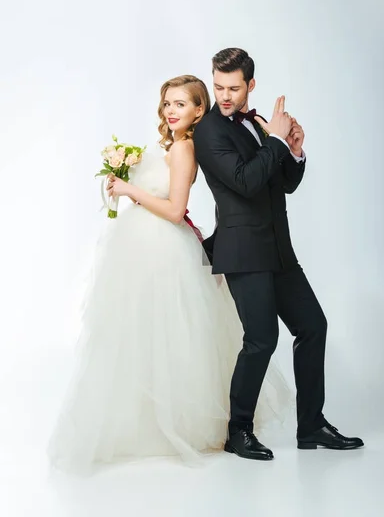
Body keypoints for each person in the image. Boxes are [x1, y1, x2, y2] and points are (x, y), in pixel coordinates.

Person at [47, 75, 291, 475]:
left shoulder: (185, 149)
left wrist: (130, 191)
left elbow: (176, 210)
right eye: (167, 103)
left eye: (181, 104)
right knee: (144, 337)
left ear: (199, 109)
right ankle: (149, 419)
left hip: (164, 251)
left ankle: (173, 424)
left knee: (166, 335)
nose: (171, 111)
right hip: (148, 251)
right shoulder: (173, 147)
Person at [193, 48, 364, 461]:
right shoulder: (209, 132)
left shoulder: (258, 124)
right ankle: (239, 431)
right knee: (261, 340)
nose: (225, 95)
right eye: (218, 86)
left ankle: (312, 426)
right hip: (242, 251)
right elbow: (245, 182)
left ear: (251, 84)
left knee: (313, 326)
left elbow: (282, 184)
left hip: (278, 248)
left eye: (233, 87)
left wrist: (292, 148)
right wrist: (273, 140)